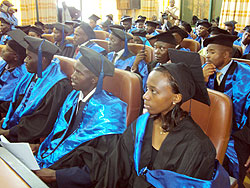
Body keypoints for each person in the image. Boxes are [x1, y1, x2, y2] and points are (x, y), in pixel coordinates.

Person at [98, 49, 230, 188]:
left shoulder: (197, 146)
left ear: (176, 98)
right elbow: (114, 170)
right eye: (147, 89)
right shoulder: (141, 125)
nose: (145, 96)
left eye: (153, 91)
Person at [34, 46, 127, 188]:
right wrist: (39, 146)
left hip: (73, 179)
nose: (72, 75)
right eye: (74, 69)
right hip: (54, 164)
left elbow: (102, 166)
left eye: (79, 72)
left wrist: (56, 176)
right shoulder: (73, 96)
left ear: (94, 79)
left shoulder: (110, 112)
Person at [0, 35, 72, 143]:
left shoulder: (57, 85)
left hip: (32, 138)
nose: (24, 61)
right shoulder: (32, 74)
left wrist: (9, 132)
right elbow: (20, 101)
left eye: (29, 57)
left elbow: (40, 121)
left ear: (42, 60)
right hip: (17, 128)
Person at [202, 34, 250, 187]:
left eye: (212, 52)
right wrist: (201, 82)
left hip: (240, 135)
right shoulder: (205, 71)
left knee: (235, 176)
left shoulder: (246, 76)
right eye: (206, 52)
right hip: (211, 130)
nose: (207, 56)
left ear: (226, 55)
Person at [107, 28, 148, 92]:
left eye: (113, 40)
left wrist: (135, 65)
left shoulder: (134, 59)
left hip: (123, 91)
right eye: (109, 39)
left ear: (123, 43)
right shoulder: (109, 55)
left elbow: (139, 82)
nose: (109, 43)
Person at [0, 30, 27, 107]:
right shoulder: (3, 63)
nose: (3, 50)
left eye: (7, 50)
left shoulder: (21, 74)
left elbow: (7, 97)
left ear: (15, 56)